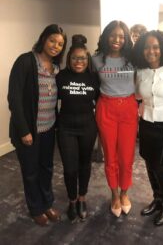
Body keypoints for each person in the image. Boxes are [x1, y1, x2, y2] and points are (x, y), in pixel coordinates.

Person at [8, 24, 67, 226]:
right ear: (43, 39)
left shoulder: (57, 68)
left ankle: (47, 203)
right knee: (31, 171)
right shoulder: (26, 62)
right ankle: (35, 208)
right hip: (29, 132)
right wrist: (24, 130)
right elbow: (14, 98)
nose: (55, 46)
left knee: (47, 168)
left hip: (49, 128)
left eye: (60, 44)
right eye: (52, 41)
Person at [92, 20, 138, 218]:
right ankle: (114, 194)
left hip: (128, 108)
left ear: (126, 38)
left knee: (126, 155)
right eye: (113, 35)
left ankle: (125, 192)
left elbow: (139, 82)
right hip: (106, 108)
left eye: (121, 36)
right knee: (110, 155)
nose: (117, 39)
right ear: (106, 37)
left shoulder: (133, 59)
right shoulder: (96, 59)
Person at [132, 30, 163, 226]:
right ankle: (157, 199)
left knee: (161, 167)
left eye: (155, 47)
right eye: (147, 48)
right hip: (146, 123)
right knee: (149, 165)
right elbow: (136, 96)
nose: (151, 51)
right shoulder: (140, 71)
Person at [56, 35, 99, 222]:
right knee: (70, 168)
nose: (79, 62)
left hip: (88, 126)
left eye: (82, 58)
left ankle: (82, 198)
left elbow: (101, 101)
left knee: (84, 164)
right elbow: (49, 100)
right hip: (66, 127)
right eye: (75, 58)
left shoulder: (93, 77)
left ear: (87, 59)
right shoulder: (61, 76)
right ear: (69, 59)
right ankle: (72, 200)